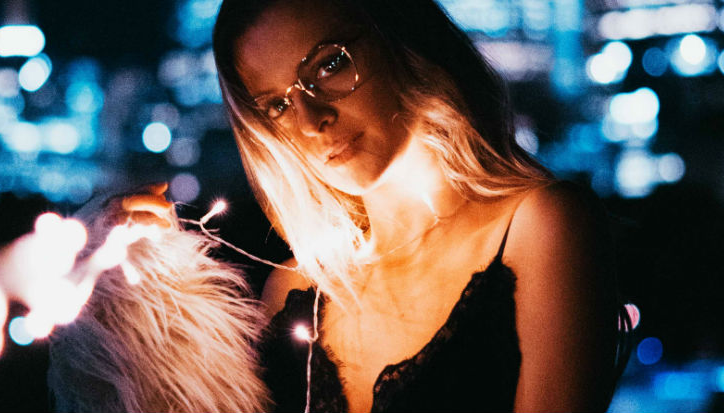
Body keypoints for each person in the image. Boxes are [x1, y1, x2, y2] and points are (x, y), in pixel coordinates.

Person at [105, 0, 627, 411]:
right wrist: (140, 299)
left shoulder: (541, 227)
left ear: (398, 35)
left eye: (328, 64)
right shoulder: (297, 289)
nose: (311, 120)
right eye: (279, 105)